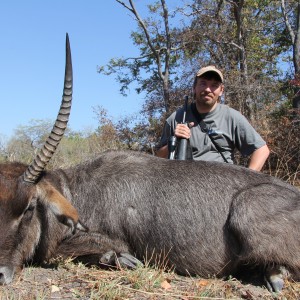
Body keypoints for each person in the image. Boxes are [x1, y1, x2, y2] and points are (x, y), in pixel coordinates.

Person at [156, 65, 270, 171]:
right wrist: (174, 141)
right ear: (194, 88)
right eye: (203, 83)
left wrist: (246, 182)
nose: (208, 89)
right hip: (187, 184)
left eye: (214, 85)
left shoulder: (232, 117)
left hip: (224, 184)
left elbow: (262, 150)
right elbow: (158, 158)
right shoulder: (176, 118)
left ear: (221, 91)